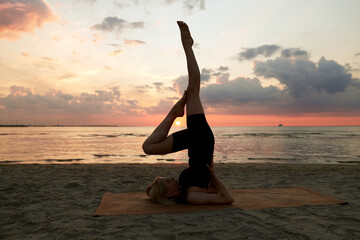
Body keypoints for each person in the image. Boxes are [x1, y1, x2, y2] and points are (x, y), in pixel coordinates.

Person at [142, 21, 234, 205]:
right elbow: (227, 199)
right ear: (168, 194)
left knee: (148, 147)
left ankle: (175, 113)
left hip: (194, 144)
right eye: (168, 181)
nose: (171, 179)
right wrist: (213, 176)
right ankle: (188, 46)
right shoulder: (191, 195)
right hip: (201, 139)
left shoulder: (182, 189)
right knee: (193, 90)